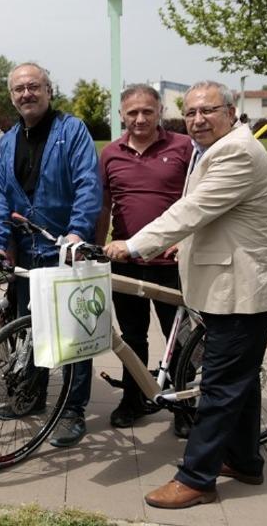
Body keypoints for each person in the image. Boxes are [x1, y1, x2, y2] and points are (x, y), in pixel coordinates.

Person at [105, 80, 267, 510]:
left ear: (231, 111)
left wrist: (134, 245)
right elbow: (217, 215)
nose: (198, 119)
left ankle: (196, 478)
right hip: (227, 283)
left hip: (239, 291)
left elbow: (193, 209)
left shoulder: (236, 151)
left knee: (220, 387)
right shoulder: (212, 148)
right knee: (241, 382)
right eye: (190, 112)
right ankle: (244, 461)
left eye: (208, 110)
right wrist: (184, 243)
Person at [0, 62, 101, 448]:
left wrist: (77, 232)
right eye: (19, 89)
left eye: (34, 87)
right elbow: (1, 196)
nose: (26, 94)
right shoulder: (8, 141)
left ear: (49, 91)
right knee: (29, 331)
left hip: (65, 253)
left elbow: (88, 184)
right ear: (12, 97)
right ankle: (31, 395)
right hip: (28, 254)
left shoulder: (72, 130)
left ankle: (72, 409)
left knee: (73, 337)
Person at [94, 84, 193, 436]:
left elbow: (199, 201)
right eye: (132, 112)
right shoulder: (110, 153)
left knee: (179, 339)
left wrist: (186, 241)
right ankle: (133, 400)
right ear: (121, 115)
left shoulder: (183, 147)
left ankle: (184, 405)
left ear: (160, 111)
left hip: (170, 265)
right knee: (132, 338)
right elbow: (104, 206)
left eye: (147, 111)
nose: (139, 119)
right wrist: (97, 248)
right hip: (126, 262)